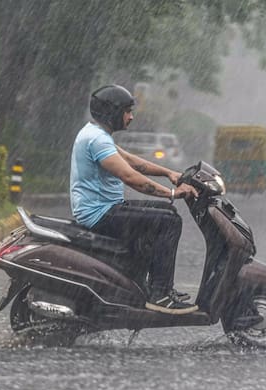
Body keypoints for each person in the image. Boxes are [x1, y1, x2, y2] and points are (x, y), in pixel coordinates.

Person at [70, 84, 199, 315]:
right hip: (99, 214)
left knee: (167, 213)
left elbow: (133, 161)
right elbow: (130, 176)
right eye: (127, 111)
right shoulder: (96, 140)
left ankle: (154, 287)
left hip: (106, 209)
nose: (131, 116)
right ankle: (160, 294)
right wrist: (171, 193)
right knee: (169, 222)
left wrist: (170, 173)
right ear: (112, 112)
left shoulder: (97, 134)